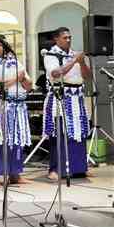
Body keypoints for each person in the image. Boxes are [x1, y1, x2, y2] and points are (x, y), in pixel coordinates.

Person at [0, 36, 32, 185]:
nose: (6, 47)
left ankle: (15, 174)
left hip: (17, 107)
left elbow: (29, 85)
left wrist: (22, 79)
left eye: (7, 44)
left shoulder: (16, 62)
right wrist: (16, 78)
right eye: (2, 45)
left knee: (16, 141)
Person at [43, 27, 92, 181]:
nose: (69, 40)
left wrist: (82, 62)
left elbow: (88, 76)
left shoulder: (75, 54)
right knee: (59, 133)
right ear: (56, 39)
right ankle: (56, 169)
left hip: (77, 97)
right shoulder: (50, 54)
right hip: (60, 97)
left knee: (78, 133)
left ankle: (79, 168)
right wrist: (73, 61)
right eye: (65, 38)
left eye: (70, 37)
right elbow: (55, 74)